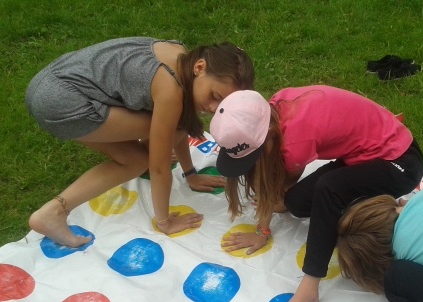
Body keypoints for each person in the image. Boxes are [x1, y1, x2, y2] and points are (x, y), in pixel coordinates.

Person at [210, 86, 423, 302]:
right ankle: (365, 203)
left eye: (254, 156)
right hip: (365, 155)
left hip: (400, 163)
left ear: (267, 135)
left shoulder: (295, 142)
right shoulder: (271, 110)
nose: (253, 164)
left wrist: (262, 230)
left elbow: (271, 181)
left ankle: (308, 291)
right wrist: (268, 218)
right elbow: (275, 184)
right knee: (296, 203)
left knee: (328, 189)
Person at [26, 37, 254, 247]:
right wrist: (164, 222)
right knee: (149, 150)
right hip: (60, 101)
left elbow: (181, 124)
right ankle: (54, 212)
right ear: (200, 68)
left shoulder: (180, 55)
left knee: (141, 156)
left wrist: (190, 174)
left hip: (49, 81)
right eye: (215, 96)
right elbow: (159, 166)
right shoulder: (171, 88)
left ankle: (51, 213)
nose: (214, 108)